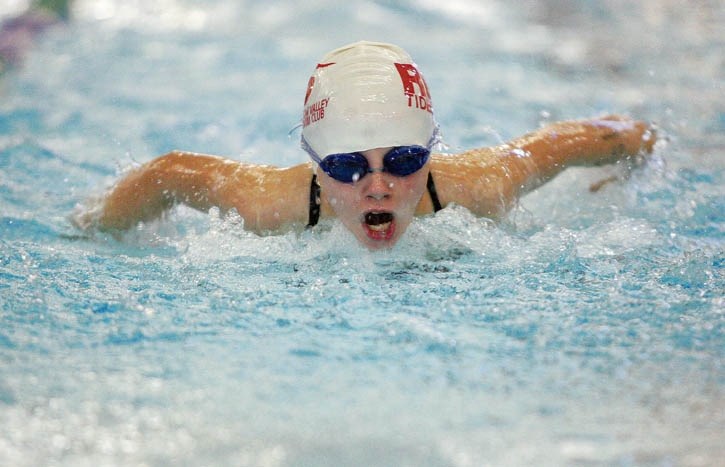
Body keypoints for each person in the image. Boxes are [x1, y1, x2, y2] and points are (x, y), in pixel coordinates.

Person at [72, 41, 656, 250]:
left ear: (430, 151)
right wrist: (94, 227)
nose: (378, 185)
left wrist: (630, 157)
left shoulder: (480, 186)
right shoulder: (268, 205)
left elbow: (590, 138)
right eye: (349, 167)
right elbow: (172, 172)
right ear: (316, 167)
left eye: (403, 160)